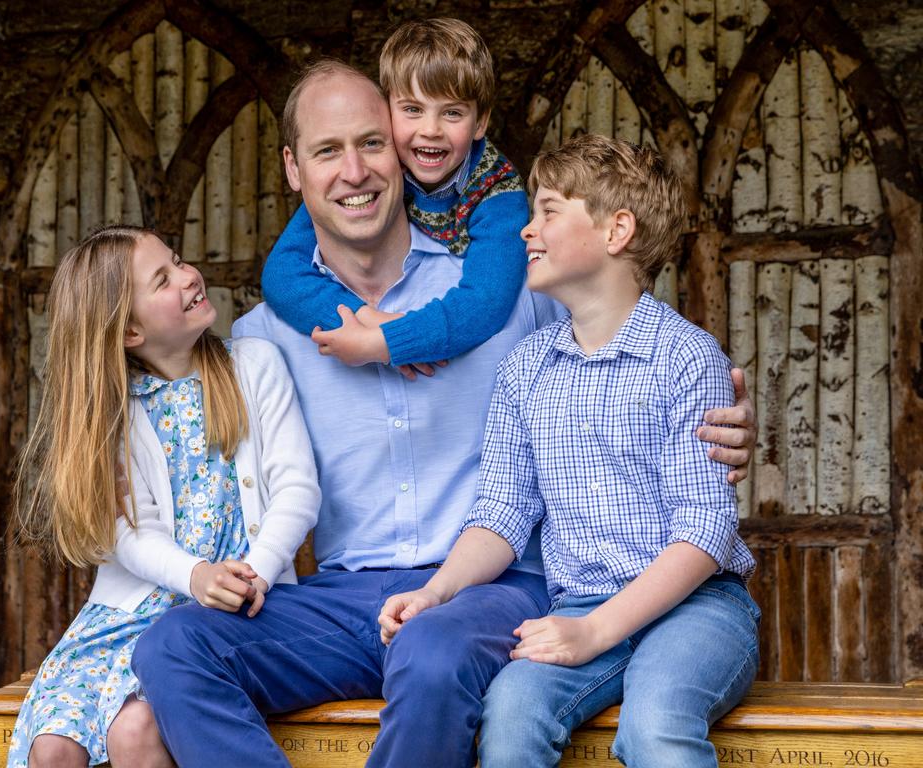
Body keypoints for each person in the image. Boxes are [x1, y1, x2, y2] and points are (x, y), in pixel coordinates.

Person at [131, 63, 756, 768]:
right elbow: (161, 406)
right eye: (327, 151)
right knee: (173, 646)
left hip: (495, 589)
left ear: (402, 151)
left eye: (372, 143)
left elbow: (623, 351)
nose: (355, 170)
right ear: (293, 169)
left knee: (431, 653)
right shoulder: (262, 338)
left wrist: (727, 419)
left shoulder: (507, 292)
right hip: (346, 600)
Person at [378, 135, 760, 768]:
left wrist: (595, 632)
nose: (528, 229)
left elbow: (706, 529)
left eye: (549, 211)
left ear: (617, 230)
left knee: (655, 723)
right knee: (510, 717)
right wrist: (435, 592)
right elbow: (502, 513)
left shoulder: (686, 358)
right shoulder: (525, 369)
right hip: (580, 603)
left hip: (698, 610)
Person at [6, 225, 320, 768]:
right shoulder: (113, 412)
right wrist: (194, 574)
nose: (188, 275)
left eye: (177, 261)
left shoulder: (255, 366)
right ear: (129, 330)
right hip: (127, 616)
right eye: (163, 278)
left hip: (237, 607)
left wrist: (258, 571)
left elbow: (297, 487)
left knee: (136, 731)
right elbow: (129, 533)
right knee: (52, 748)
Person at [261, 19, 527, 373]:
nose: (430, 130)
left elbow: (487, 302)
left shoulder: (499, 192)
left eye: (452, 113)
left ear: (480, 124)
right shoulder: (384, 169)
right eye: (412, 110)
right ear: (387, 111)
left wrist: (391, 341)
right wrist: (362, 319)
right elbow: (281, 274)